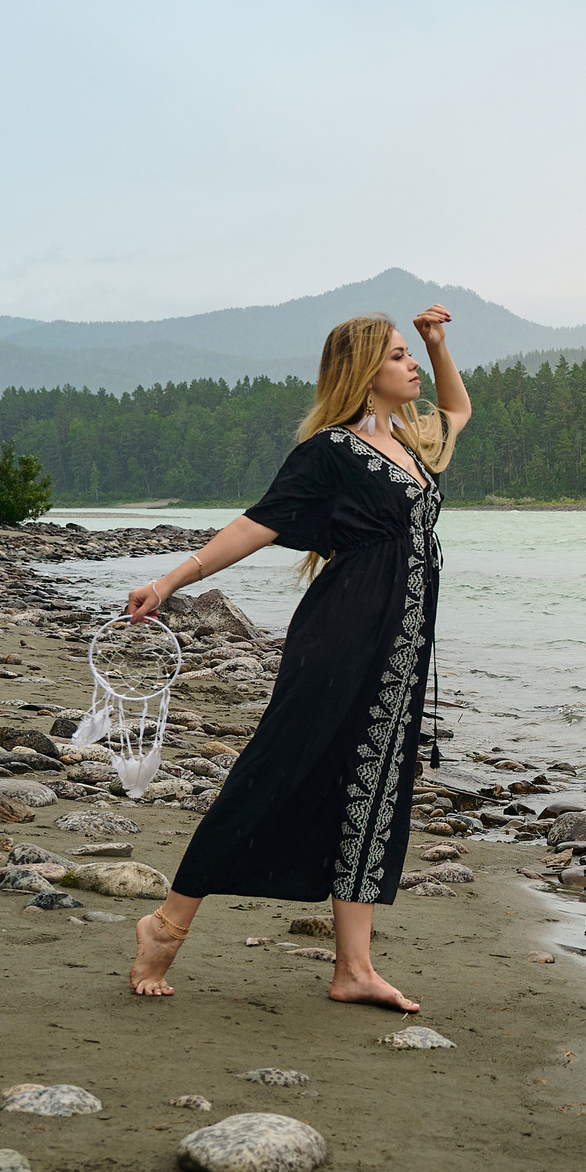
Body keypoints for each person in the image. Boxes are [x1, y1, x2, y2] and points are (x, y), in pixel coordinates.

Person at [121, 305, 470, 1010]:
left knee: (372, 785)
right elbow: (256, 525)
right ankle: (165, 924)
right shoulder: (329, 453)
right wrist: (169, 580)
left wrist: (437, 345)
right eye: (400, 355)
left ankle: (354, 969)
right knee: (276, 770)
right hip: (342, 634)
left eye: (412, 356)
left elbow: (458, 407)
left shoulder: (414, 440)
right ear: (365, 373)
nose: (412, 367)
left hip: (400, 651)